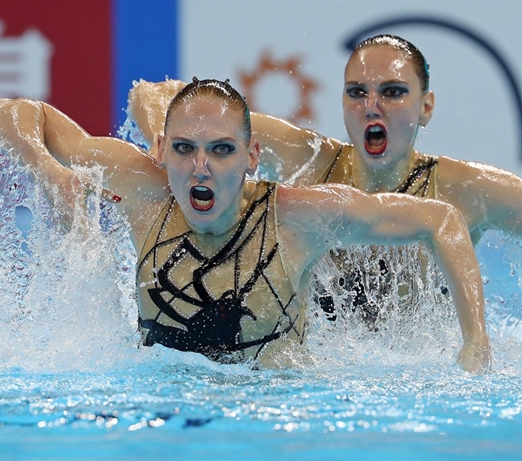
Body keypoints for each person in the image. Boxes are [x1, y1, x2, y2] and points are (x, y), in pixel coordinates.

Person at [0, 78, 490, 372]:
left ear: (252, 157)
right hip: (160, 408)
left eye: (221, 150)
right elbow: (16, 110)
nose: (199, 167)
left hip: (275, 410)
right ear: (162, 150)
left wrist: (476, 343)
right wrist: (48, 170)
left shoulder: (297, 215)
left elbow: (440, 218)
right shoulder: (146, 194)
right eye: (184, 149)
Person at [128, 35, 522, 324]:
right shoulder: (312, 157)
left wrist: (476, 344)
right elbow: (150, 93)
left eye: (393, 92)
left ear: (426, 107)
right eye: (357, 92)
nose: (372, 107)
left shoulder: (466, 189)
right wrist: (164, 152)